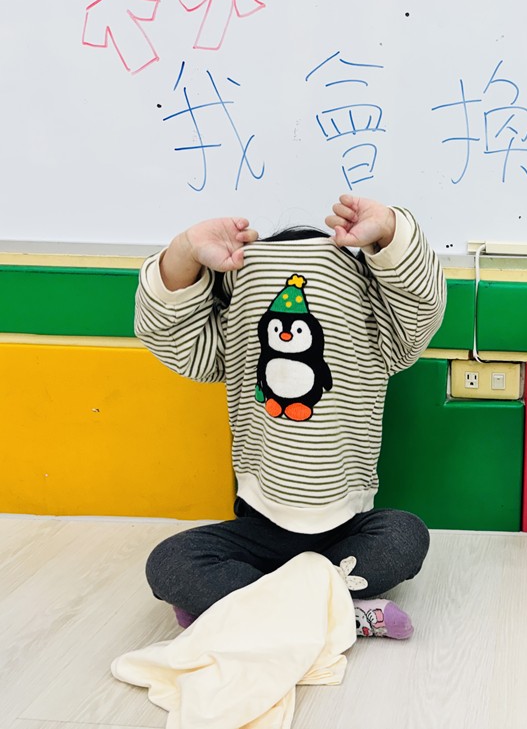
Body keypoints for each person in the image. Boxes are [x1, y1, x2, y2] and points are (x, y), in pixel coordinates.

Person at [135, 194, 446, 640]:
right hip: (258, 526)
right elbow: (169, 332)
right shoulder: (237, 335)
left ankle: (245, 608)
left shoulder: (379, 333)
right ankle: (339, 612)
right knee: (168, 564)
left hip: (346, 529)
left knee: (404, 536)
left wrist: (391, 230)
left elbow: (421, 306)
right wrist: (185, 250)